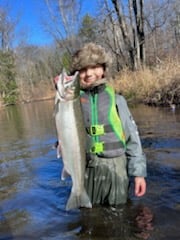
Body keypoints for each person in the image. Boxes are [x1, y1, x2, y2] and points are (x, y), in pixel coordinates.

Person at [57, 42, 147, 206]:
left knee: (119, 214)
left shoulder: (118, 100)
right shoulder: (72, 103)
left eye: (95, 67)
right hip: (87, 169)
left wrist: (138, 173)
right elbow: (64, 129)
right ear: (76, 74)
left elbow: (133, 139)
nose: (89, 73)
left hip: (116, 170)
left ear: (104, 69)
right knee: (89, 217)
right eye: (83, 69)